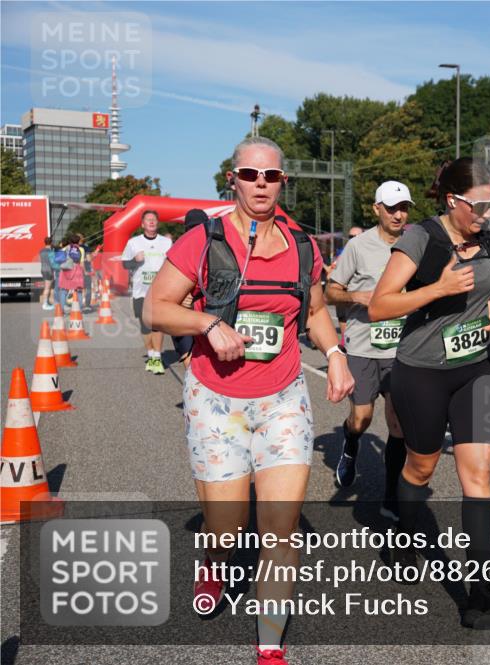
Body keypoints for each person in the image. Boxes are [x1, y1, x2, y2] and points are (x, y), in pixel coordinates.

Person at [145, 136, 353, 665]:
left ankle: (268, 648)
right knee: (228, 526)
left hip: (283, 397)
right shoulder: (203, 241)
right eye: (250, 174)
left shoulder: (304, 245)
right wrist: (206, 322)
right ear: (232, 180)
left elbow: (314, 312)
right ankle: (214, 557)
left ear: (284, 182)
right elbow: (155, 309)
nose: (261, 184)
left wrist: (333, 354)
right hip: (215, 399)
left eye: (272, 176)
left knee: (279, 531)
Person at [368, 158, 490, 629]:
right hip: (423, 371)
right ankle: (403, 534)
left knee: (477, 474)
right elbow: (379, 306)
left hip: (477, 368)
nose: (484, 214)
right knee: (421, 465)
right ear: (453, 200)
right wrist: (436, 289)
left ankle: (477, 589)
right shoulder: (422, 238)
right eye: (476, 205)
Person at [325, 181, 411, 519]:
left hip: (403, 350)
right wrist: (355, 297)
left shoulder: (416, 244)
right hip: (362, 346)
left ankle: (391, 497)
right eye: (391, 208)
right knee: (362, 418)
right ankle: (350, 442)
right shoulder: (359, 246)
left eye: (403, 207)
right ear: (377, 209)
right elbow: (332, 291)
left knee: (399, 425)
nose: (398, 214)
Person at [122, 210, 173, 374]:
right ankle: (151, 354)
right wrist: (134, 261)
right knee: (145, 326)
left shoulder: (166, 242)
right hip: (140, 291)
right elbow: (124, 265)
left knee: (157, 324)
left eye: (154, 220)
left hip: (160, 291)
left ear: (157, 223)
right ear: (142, 224)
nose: (151, 222)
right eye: (148, 220)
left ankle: (157, 358)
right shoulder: (133, 243)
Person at [169, 209, 210, 368]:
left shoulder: (216, 248)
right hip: (183, 316)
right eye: (192, 228)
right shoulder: (178, 250)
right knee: (190, 362)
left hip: (207, 316)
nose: (196, 233)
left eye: (200, 227)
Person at [57, 235, 86, 310]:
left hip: (66, 270)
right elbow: (82, 263)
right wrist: (84, 272)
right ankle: (79, 310)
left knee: (64, 290)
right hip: (77, 270)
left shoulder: (65, 248)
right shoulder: (81, 249)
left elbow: (59, 260)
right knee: (78, 291)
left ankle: (62, 310)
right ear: (78, 241)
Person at [39, 236, 55, 310]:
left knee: (48, 287)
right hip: (49, 270)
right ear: (51, 242)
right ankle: (45, 304)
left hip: (43, 269)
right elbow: (53, 262)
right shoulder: (51, 251)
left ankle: (47, 302)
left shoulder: (41, 251)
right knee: (48, 288)